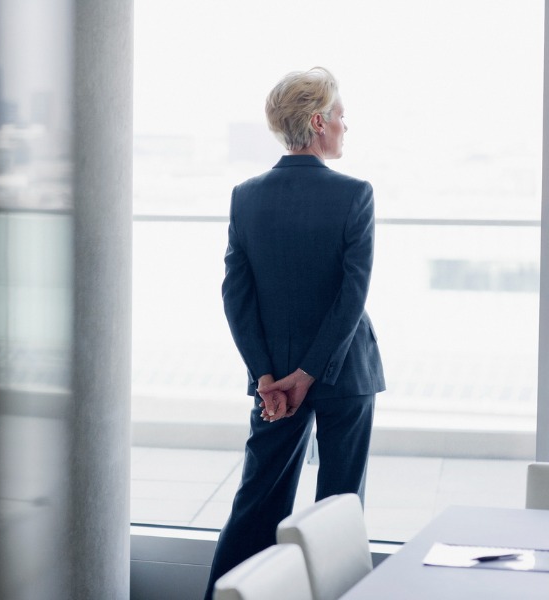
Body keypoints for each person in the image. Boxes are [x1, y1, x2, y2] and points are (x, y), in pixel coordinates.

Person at [203, 67, 386, 599]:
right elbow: (352, 296)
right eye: (341, 117)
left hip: (275, 379)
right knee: (339, 509)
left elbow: (236, 295)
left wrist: (268, 375)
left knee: (257, 502)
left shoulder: (246, 196)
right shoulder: (356, 194)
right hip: (344, 374)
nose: (345, 127)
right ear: (317, 121)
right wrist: (310, 374)